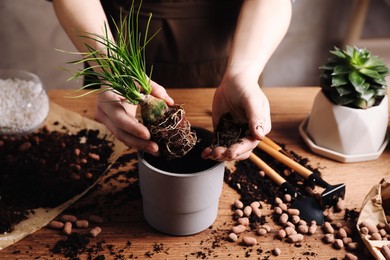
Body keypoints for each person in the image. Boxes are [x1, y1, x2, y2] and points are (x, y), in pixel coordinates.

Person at [51, 0, 292, 161]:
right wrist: (112, 69)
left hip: (238, 46)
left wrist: (243, 73)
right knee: (122, 148)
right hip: (117, 43)